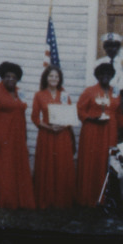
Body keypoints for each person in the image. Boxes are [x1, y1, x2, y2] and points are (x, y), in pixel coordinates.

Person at [0, 61, 36, 211]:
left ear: (18, 79)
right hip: (0, 136)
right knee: (4, 168)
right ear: (1, 77)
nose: (10, 79)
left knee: (16, 167)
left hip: (16, 137)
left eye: (14, 77)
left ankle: (20, 199)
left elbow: (21, 114)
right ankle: (6, 201)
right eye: (7, 76)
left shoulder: (19, 92)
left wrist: (24, 136)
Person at [75, 61, 123, 207]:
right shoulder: (89, 91)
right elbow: (80, 110)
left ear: (111, 76)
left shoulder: (115, 92)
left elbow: (118, 112)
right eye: (102, 74)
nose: (105, 77)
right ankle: (86, 197)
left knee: (106, 161)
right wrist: (91, 118)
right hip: (92, 130)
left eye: (108, 74)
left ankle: (103, 197)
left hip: (109, 131)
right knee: (91, 161)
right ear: (97, 76)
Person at [31, 65, 76, 210]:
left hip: (62, 135)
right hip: (47, 135)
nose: (54, 79)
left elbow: (70, 117)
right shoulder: (39, 95)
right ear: (46, 77)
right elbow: (35, 118)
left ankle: (61, 200)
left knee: (61, 165)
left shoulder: (64, 94)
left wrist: (62, 127)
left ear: (60, 79)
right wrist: (49, 127)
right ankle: (46, 199)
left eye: (56, 76)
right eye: (51, 76)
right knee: (47, 164)